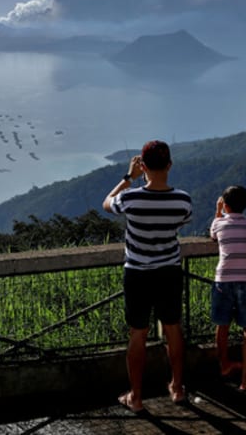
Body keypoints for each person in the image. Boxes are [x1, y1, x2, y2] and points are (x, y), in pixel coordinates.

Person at [102, 140, 192, 413]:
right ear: (170, 165)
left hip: (138, 273)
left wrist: (128, 178)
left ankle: (137, 396)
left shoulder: (131, 198)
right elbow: (182, 221)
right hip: (169, 271)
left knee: (138, 333)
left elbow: (107, 204)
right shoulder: (182, 200)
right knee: (173, 328)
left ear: (143, 165)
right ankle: (177, 388)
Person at [209, 185, 246, 392]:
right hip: (245, 280)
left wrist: (218, 212)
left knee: (222, 326)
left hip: (223, 279)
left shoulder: (219, 223)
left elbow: (213, 236)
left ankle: (224, 365)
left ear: (225, 205)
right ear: (245, 205)